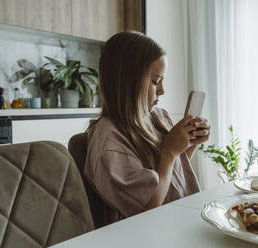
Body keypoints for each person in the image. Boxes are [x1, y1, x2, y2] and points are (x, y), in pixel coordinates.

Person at [84, 31, 211, 226]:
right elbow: (146, 211)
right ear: (127, 80)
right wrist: (169, 152)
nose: (162, 90)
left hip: (175, 221)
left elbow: (169, 175)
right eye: (155, 81)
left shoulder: (157, 117)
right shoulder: (109, 142)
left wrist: (188, 144)